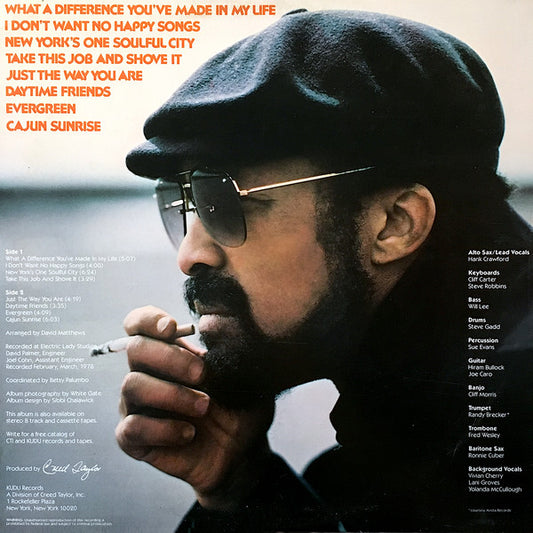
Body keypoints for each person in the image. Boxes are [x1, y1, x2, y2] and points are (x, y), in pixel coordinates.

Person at [117, 9, 532, 532]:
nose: (190, 255)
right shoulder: (410, 439)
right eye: (185, 204)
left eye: (224, 201)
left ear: (394, 223)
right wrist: (239, 488)